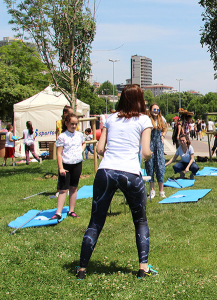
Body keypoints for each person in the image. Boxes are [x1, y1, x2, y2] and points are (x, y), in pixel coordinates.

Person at [77, 84, 157, 280]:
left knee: (95, 222)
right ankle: (142, 268)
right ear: (139, 100)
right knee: (140, 221)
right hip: (130, 173)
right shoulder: (144, 119)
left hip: (106, 172)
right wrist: (149, 155)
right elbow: (145, 152)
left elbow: (99, 149)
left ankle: (81, 270)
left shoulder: (111, 118)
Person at [50, 113, 86, 220]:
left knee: (73, 188)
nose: (74, 126)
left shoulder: (79, 135)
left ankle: (71, 210)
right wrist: (61, 168)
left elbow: (84, 143)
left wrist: (81, 150)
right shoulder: (62, 136)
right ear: (66, 123)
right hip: (66, 165)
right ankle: (58, 212)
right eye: (71, 124)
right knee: (63, 189)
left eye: (75, 124)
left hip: (77, 164)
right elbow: (59, 153)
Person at [145, 104, 167, 198]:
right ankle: (152, 190)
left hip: (159, 146)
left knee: (160, 166)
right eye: (154, 109)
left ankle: (161, 191)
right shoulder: (147, 120)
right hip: (150, 144)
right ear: (150, 110)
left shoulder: (161, 119)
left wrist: (163, 135)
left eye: (158, 109)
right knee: (150, 166)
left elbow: (165, 128)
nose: (156, 111)